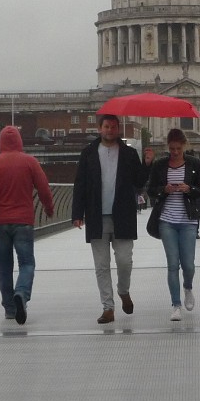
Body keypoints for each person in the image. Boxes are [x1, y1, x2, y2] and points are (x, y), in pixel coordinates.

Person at [71, 114, 149, 324]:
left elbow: (139, 181)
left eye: (113, 127)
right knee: (101, 266)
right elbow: (80, 184)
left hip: (123, 215)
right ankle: (108, 307)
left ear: (118, 129)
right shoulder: (88, 153)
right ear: (100, 128)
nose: (110, 130)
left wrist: (147, 163)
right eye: (106, 126)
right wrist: (77, 214)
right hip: (96, 215)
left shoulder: (129, 154)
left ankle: (123, 290)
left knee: (125, 261)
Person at [0, 126, 55, 325]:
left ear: (0, 143)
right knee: (27, 263)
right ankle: (21, 293)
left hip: (1, 222)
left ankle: (10, 309)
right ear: (20, 141)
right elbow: (44, 189)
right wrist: (49, 208)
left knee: (4, 267)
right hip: (24, 221)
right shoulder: (30, 162)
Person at [146, 128, 200, 321]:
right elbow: (151, 190)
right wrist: (164, 190)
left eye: (178, 149)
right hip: (167, 220)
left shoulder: (195, 164)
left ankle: (188, 287)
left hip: (188, 221)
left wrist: (189, 189)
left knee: (188, 265)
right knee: (173, 264)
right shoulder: (160, 165)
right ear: (168, 146)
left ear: (184, 146)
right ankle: (176, 305)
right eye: (172, 149)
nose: (175, 152)